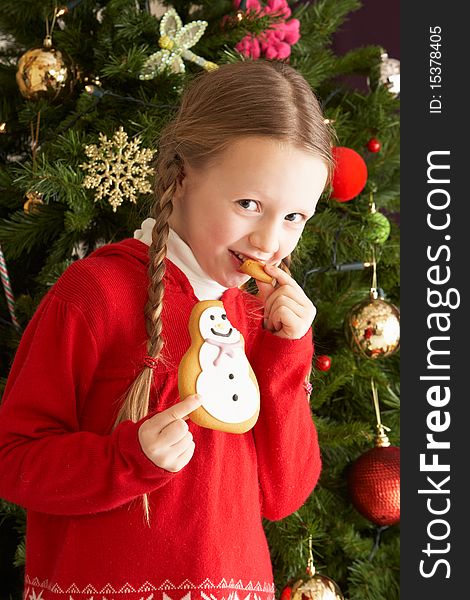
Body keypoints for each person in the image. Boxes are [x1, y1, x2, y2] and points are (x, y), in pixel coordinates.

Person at [0, 59, 333, 600]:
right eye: (249, 204)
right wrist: (125, 461)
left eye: (295, 217)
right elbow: (13, 460)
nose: (272, 240)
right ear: (179, 178)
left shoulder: (257, 318)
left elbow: (284, 494)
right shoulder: (94, 293)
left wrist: (287, 352)